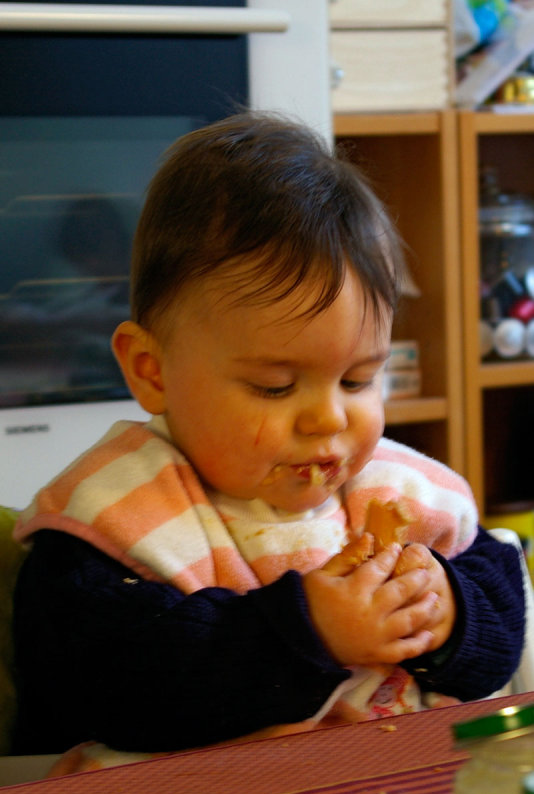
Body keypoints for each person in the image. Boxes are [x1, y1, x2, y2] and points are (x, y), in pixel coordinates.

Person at [11, 112, 525, 759]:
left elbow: (504, 612)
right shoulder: (108, 527)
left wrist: (451, 613)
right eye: (275, 388)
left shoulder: (403, 494)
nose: (328, 420)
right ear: (152, 371)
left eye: (359, 379)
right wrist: (306, 632)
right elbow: (107, 685)